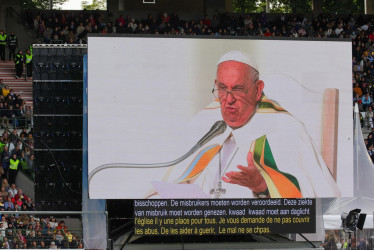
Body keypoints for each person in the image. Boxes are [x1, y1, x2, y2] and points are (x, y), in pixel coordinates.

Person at [148, 51, 340, 198]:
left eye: (238, 89)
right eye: (222, 88)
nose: (228, 100)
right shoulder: (206, 121)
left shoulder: (286, 129)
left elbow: (318, 196)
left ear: (258, 90)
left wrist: (264, 186)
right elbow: (173, 178)